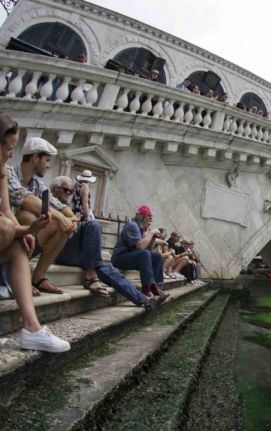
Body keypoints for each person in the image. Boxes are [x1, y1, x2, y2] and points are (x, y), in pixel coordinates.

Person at [0, 113, 70, 352]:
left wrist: (25, 231)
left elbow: (8, 211)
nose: (11, 154)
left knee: (19, 238)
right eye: (8, 148)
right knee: (14, 224)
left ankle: (32, 328)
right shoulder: (9, 172)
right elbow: (21, 202)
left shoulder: (1, 171)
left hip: (6, 236)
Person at [50, 176, 164, 306]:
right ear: (54, 190)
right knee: (93, 225)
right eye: (65, 190)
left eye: (70, 191)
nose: (69, 194)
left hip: (74, 250)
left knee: (105, 266)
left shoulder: (66, 208)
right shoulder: (48, 203)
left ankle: (143, 299)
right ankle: (91, 277)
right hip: (58, 250)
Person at [8, 137, 75, 295]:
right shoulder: (9, 172)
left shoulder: (37, 184)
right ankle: (19, 278)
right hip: (6, 236)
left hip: (26, 238)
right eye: (47, 159)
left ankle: (38, 277)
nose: (49, 165)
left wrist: (71, 218)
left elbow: (59, 206)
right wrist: (60, 217)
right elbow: (24, 199)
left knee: (63, 225)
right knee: (28, 216)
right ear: (35, 158)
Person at [111, 205, 167, 299]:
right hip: (119, 258)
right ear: (143, 217)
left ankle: (156, 286)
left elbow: (148, 250)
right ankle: (146, 289)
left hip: (131, 257)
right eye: (149, 218)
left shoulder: (139, 228)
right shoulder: (132, 226)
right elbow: (140, 247)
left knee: (156, 256)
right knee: (144, 254)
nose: (150, 221)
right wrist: (151, 233)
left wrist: (153, 238)